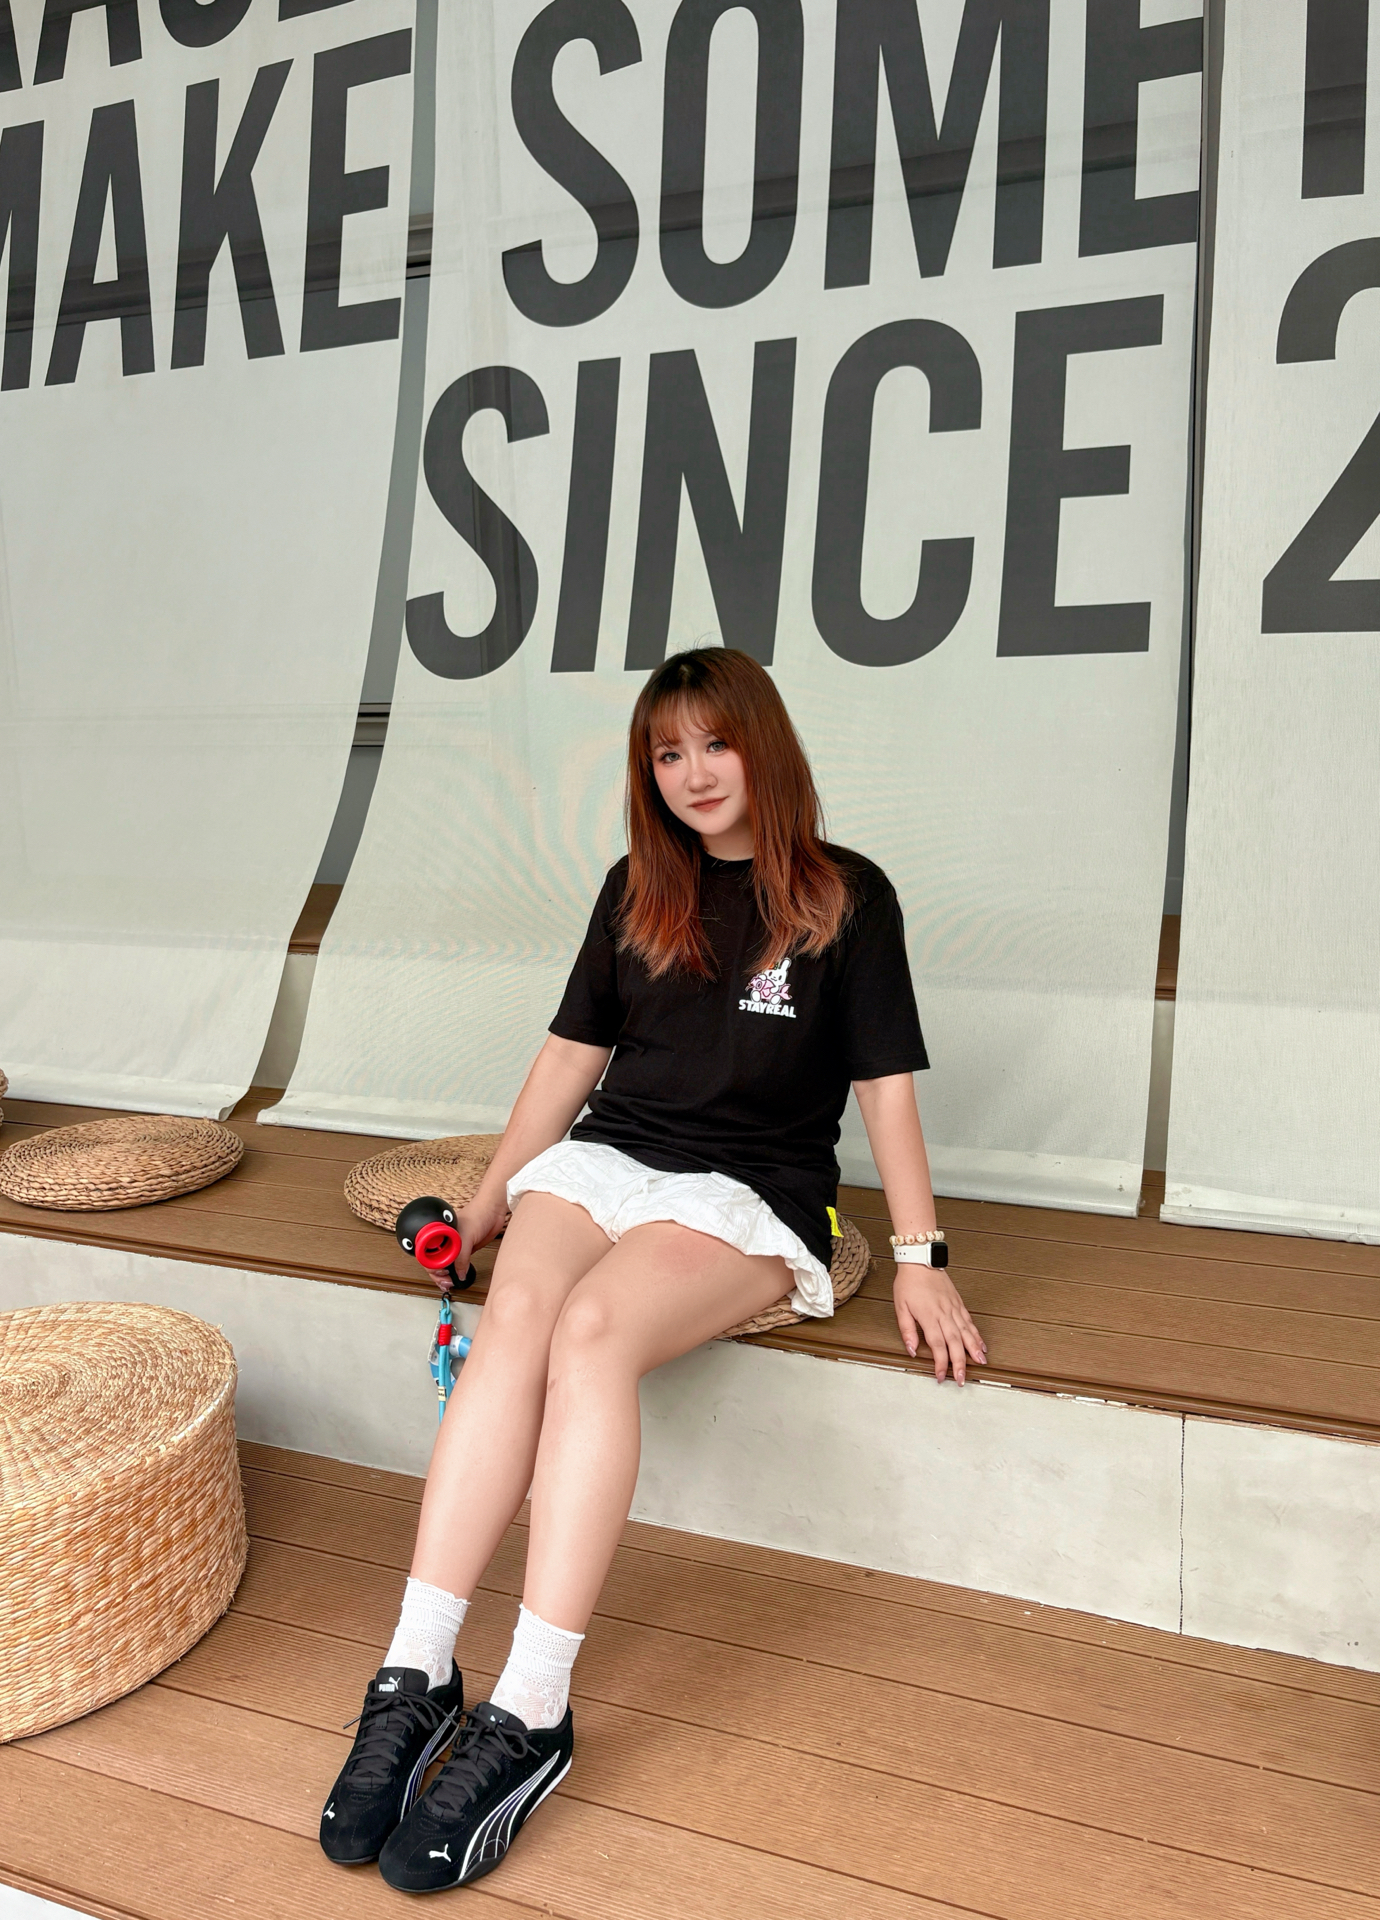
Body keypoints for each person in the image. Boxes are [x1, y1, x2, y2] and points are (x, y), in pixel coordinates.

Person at [319, 647, 986, 1894]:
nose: (694, 774)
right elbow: (569, 1060)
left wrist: (918, 1257)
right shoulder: (638, 888)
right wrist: (484, 1205)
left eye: (715, 744)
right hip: (611, 1156)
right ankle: (417, 1668)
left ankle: (532, 1707)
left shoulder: (848, 897)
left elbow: (887, 1090)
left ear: (763, 746)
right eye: (667, 754)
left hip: (749, 1186)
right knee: (521, 1313)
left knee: (592, 1335)